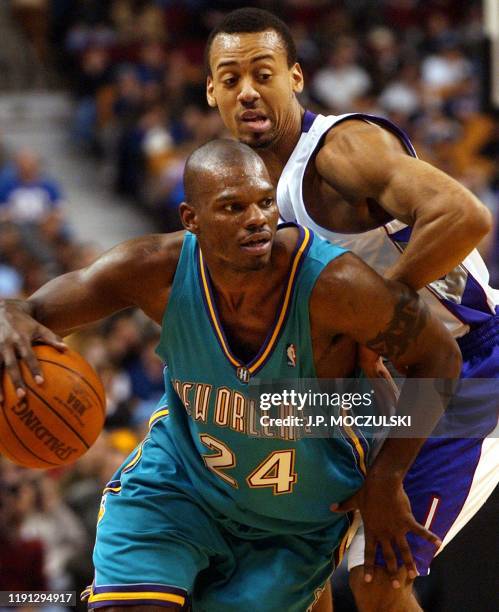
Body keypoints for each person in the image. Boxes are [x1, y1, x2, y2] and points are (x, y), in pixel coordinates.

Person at [0, 140, 461, 611]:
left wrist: (387, 478)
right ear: (190, 219)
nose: (257, 218)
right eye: (232, 207)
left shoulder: (335, 285)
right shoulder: (151, 270)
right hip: (180, 485)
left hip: (295, 521)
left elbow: (440, 359)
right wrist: (5, 314)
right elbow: (28, 310)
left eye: (264, 202)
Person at [204, 8, 499, 611]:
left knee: (379, 579)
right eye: (230, 79)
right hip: (369, 388)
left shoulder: (342, 150)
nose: (248, 91)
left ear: (297, 78)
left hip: (467, 371)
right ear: (211, 92)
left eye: (263, 73)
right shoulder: (244, 189)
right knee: (292, 558)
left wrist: (376, 317)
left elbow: (465, 216)